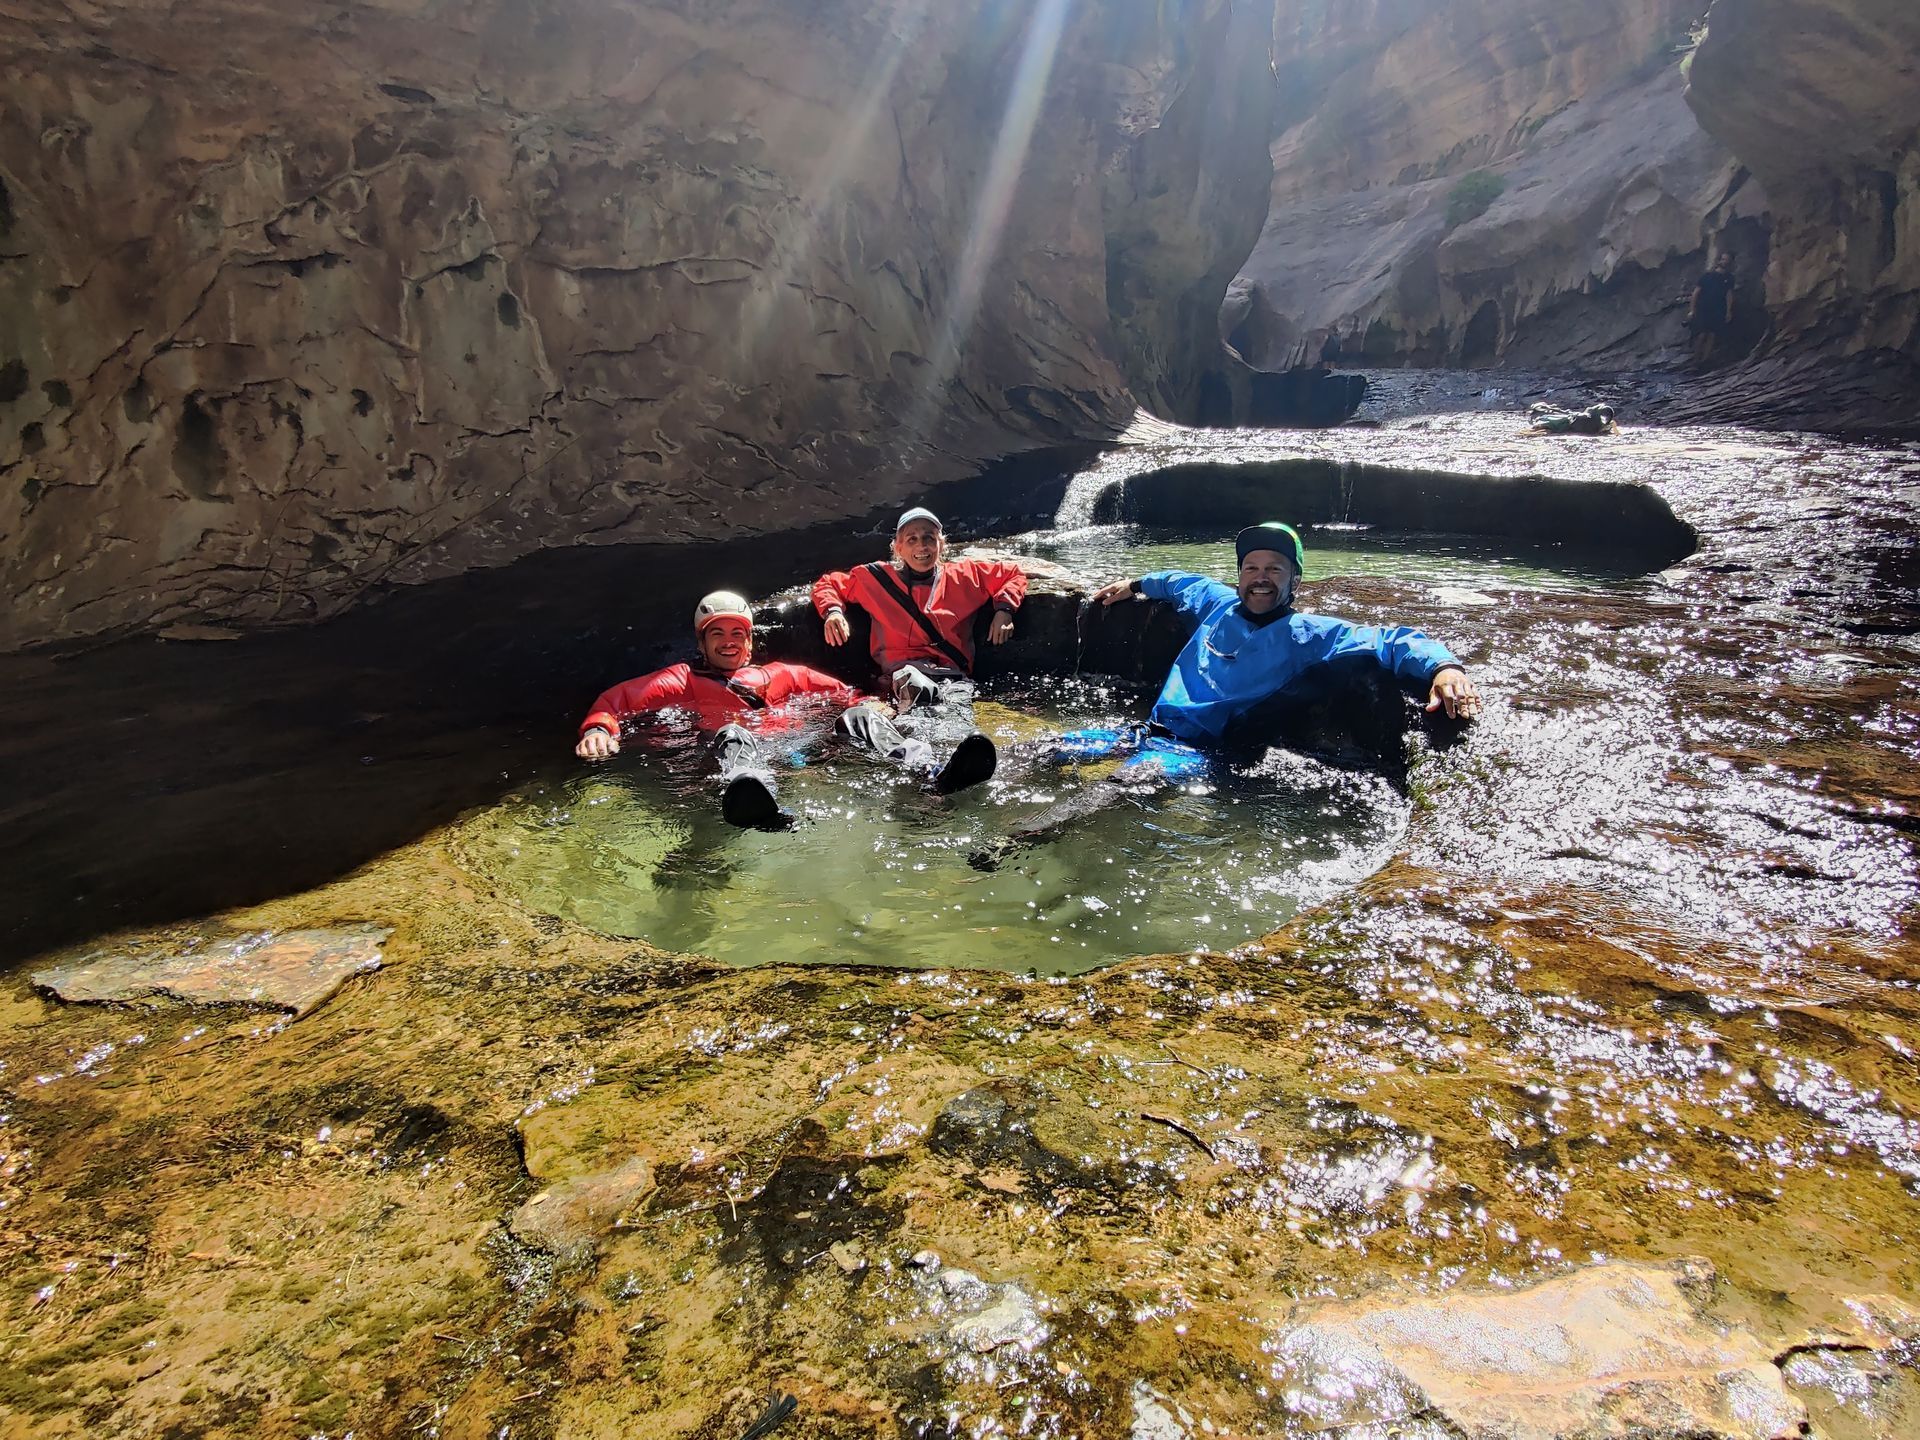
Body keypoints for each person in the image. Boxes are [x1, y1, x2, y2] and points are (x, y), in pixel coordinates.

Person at [575, 591, 857, 827]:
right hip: (731, 758)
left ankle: (899, 754)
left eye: (737, 633)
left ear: (749, 644)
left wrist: (867, 704)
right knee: (732, 731)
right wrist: (598, 729)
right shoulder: (683, 680)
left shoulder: (781, 675)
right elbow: (615, 700)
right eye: (717, 633)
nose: (728, 641)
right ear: (702, 644)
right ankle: (750, 792)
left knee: (861, 717)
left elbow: (843, 693)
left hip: (787, 755)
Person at [810, 506, 1025, 792]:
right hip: (905, 677)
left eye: (928, 538)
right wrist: (833, 612)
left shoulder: (966, 575)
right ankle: (934, 769)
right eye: (911, 539)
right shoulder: (873, 578)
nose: (921, 546)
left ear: (941, 544)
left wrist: (1005, 610)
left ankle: (945, 768)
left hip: (952, 677)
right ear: (897, 548)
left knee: (955, 715)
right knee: (912, 684)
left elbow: (1012, 574)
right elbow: (828, 584)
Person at [1686, 253, 1736, 368]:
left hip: (1719, 309)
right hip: (1704, 308)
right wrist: (1692, 310)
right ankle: (1695, 359)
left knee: (1712, 335)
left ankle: (1705, 360)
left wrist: (1729, 311)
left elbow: (1729, 295)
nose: (1724, 262)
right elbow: (1695, 293)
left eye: (1727, 260)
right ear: (1719, 261)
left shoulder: (1729, 278)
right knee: (1702, 334)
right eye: (1723, 259)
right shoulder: (1708, 276)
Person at [1527, 401, 1617, 435]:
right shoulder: (1600, 424)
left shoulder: (1591, 419)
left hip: (1569, 422)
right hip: (1571, 420)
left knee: (1551, 420)